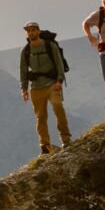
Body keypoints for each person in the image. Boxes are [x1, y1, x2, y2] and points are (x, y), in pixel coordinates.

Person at [19, 21, 70, 154]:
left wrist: (59, 80)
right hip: (36, 87)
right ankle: (45, 146)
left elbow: (59, 64)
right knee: (40, 117)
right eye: (28, 31)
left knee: (58, 106)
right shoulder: (25, 50)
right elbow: (23, 71)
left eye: (33, 30)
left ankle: (66, 140)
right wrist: (24, 89)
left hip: (53, 84)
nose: (31, 33)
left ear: (38, 31)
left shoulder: (50, 45)